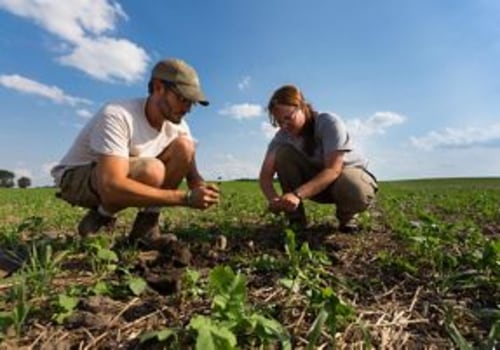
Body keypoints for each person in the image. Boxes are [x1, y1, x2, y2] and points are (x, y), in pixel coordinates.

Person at [51, 58, 220, 247]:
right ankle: (102, 218)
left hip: (117, 177)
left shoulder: (179, 127)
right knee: (152, 170)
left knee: (185, 147)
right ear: (158, 88)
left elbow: (193, 177)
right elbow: (111, 185)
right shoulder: (117, 114)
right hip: (77, 179)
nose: (187, 109)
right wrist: (186, 198)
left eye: (192, 103)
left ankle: (145, 228)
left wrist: (204, 190)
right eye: (182, 99)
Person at [259, 85, 377, 233]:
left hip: (344, 180)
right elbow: (265, 176)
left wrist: (297, 194)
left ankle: (347, 218)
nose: (284, 126)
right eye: (278, 122)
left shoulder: (328, 122)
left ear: (302, 106)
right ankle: (295, 221)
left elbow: (333, 170)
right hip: (317, 187)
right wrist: (274, 199)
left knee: (354, 187)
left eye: (288, 118)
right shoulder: (281, 137)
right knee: (283, 154)